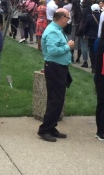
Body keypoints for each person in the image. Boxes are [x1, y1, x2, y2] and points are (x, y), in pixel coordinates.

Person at [37, 9, 75, 142]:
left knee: (57, 99)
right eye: (68, 18)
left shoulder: (57, 29)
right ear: (61, 17)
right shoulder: (53, 31)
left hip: (59, 67)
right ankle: (45, 129)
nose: (68, 21)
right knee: (55, 100)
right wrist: (67, 46)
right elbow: (52, 51)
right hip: (54, 68)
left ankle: (52, 126)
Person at [84, 4, 102, 72]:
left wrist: (85, 34)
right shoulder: (101, 16)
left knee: (92, 51)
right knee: (98, 51)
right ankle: (98, 66)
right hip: (99, 35)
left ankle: (93, 66)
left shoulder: (89, 16)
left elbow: (86, 26)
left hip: (91, 36)